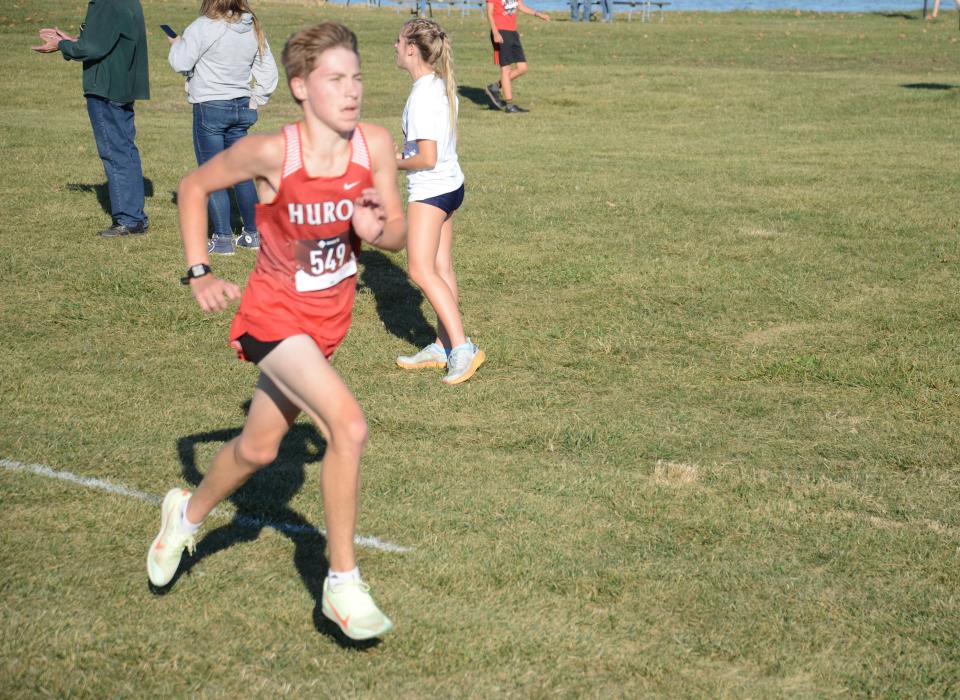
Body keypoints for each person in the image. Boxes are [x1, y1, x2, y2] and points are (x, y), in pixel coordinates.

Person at [146, 22, 406, 642]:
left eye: (358, 76)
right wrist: (199, 271)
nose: (352, 90)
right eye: (335, 79)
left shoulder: (373, 143)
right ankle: (341, 585)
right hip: (272, 319)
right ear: (300, 87)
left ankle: (185, 513)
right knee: (348, 427)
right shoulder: (271, 154)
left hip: (327, 326)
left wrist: (378, 231)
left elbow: (395, 230)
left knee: (259, 450)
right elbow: (193, 187)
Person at [394, 19, 485, 385]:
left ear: (412, 49)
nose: (395, 47)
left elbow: (426, 157)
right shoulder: (436, 85)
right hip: (450, 187)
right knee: (441, 267)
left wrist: (391, 161)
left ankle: (463, 349)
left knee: (419, 269)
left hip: (431, 191)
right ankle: (442, 344)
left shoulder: (422, 96)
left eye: (398, 42)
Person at [167, 0, 279, 256]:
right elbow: (269, 72)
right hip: (241, 107)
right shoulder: (252, 27)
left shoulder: (203, 27)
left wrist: (177, 46)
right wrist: (256, 99)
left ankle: (222, 239)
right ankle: (252, 234)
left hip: (210, 107)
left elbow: (181, 63)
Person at [32, 0, 150, 237]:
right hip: (121, 85)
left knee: (115, 152)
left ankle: (128, 219)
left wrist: (62, 45)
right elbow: (104, 41)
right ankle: (135, 218)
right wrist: (72, 42)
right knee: (125, 150)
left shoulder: (106, 3)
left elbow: (94, 48)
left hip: (106, 87)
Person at [483, 0, 550, 113]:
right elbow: (489, 13)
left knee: (522, 67)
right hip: (501, 31)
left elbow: (520, 6)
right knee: (506, 68)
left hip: (512, 32)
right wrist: (495, 32)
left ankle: (494, 87)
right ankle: (509, 105)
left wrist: (537, 14)